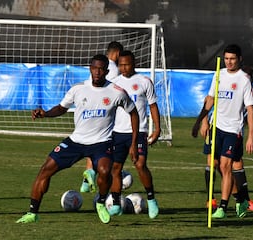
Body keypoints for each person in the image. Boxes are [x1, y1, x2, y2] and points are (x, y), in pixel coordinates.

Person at [16, 54, 139, 224]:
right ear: (90, 68)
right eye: (95, 68)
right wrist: (45, 113)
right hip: (76, 141)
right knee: (45, 170)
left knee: (104, 171)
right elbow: (61, 108)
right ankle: (32, 212)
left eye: (101, 69)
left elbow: (134, 113)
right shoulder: (78, 89)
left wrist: (133, 142)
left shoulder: (116, 92)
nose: (97, 72)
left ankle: (101, 203)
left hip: (101, 143)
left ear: (106, 71)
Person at [192, 44, 253, 219]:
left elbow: (250, 110)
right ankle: (240, 199)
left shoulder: (244, 79)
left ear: (239, 59)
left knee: (225, 166)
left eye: (232, 59)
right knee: (218, 167)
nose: (229, 62)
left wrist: (251, 136)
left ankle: (222, 207)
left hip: (233, 130)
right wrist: (201, 121)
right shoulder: (218, 74)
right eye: (226, 58)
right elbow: (210, 99)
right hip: (216, 128)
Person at [107, 50, 161, 218]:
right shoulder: (113, 83)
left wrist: (158, 128)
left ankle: (151, 199)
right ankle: (115, 202)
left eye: (127, 64)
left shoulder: (144, 81)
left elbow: (152, 105)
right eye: (121, 65)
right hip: (118, 132)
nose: (124, 68)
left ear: (134, 63)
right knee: (115, 168)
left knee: (139, 164)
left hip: (139, 132)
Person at [80, 41, 124, 193]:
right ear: (117, 53)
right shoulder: (112, 69)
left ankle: (86, 182)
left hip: (90, 111)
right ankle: (96, 176)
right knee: (103, 147)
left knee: (91, 143)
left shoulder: (97, 66)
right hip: (105, 113)